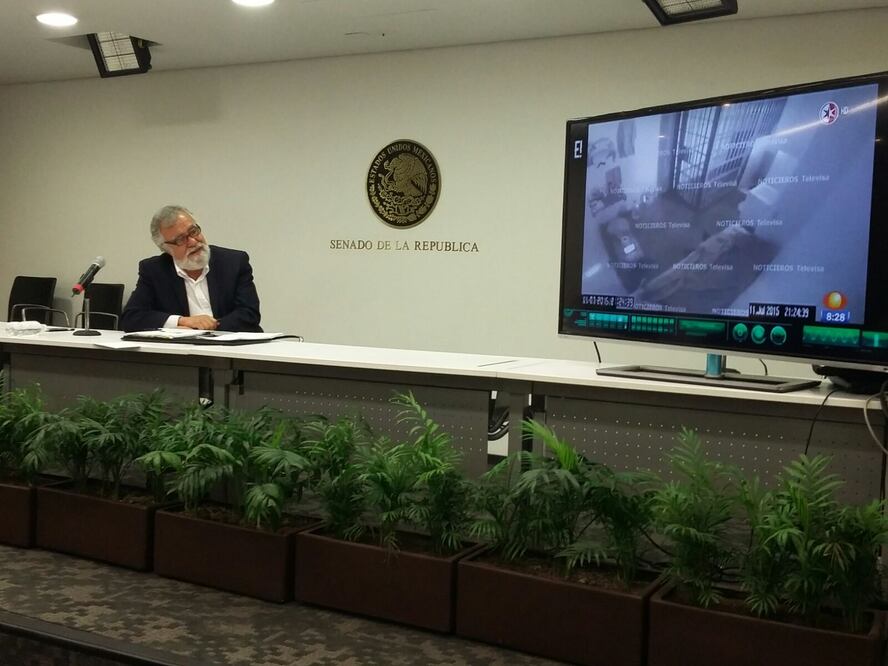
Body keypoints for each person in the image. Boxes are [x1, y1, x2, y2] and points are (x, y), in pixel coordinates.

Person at [120, 205, 262, 332]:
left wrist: (204, 328)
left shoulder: (233, 262)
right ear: (166, 248)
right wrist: (182, 321)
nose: (193, 241)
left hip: (234, 352)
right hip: (182, 356)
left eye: (193, 231)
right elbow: (131, 318)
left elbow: (249, 314)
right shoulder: (154, 270)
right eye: (181, 239)